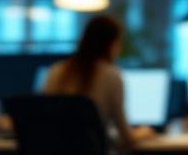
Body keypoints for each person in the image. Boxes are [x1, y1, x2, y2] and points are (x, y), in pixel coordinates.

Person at [41, 14, 154, 152]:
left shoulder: (55, 71)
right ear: (111, 44)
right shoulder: (111, 75)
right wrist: (142, 133)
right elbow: (126, 138)